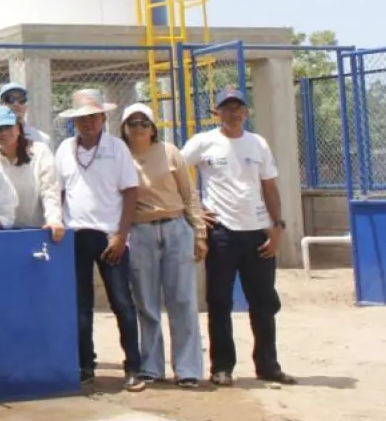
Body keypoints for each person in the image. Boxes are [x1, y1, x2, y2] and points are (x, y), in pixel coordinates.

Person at [182, 88, 296, 387]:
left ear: (246, 111)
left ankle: (268, 366)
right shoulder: (203, 142)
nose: (233, 113)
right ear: (216, 112)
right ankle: (222, 367)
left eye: (238, 107)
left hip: (258, 233)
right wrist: (196, 208)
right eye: (226, 107)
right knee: (219, 302)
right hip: (221, 234)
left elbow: (269, 186)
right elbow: (175, 172)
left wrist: (277, 226)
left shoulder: (257, 143)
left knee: (264, 302)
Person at [54, 89, 143, 391]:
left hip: (110, 238)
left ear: (103, 118)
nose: (87, 123)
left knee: (122, 303)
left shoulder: (117, 148)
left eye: (93, 116)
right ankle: (85, 366)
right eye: (81, 118)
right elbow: (59, 192)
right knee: (80, 306)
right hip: (76, 237)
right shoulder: (64, 149)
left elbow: (130, 192)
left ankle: (133, 368)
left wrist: (121, 235)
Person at [121, 103, 206, 388]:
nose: (139, 127)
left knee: (182, 300)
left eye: (144, 122)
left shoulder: (170, 153)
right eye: (132, 122)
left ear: (153, 127)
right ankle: (151, 367)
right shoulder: (120, 156)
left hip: (175, 228)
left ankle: (188, 369)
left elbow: (189, 194)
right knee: (146, 302)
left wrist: (200, 232)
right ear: (124, 127)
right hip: (140, 231)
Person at [0, 105, 64, 242]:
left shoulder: (40, 152)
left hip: (35, 231)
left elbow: (50, 190)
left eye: (7, 127)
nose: (3, 133)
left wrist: (54, 220)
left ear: (18, 128)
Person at [0, 82, 53, 151]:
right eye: (9, 99)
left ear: (26, 106)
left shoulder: (43, 139)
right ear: (0, 105)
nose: (16, 104)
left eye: (21, 99)